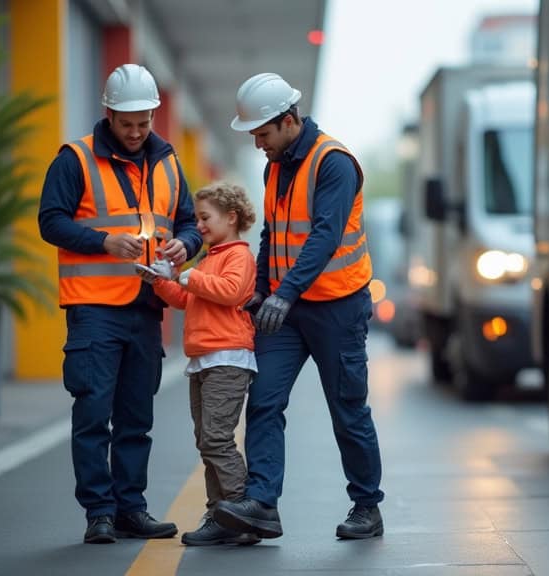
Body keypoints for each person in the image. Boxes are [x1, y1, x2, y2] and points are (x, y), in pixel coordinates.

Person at [212, 72, 385, 540]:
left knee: (347, 408)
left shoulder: (334, 163)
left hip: (337, 307)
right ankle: (261, 504)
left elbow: (325, 236)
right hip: (286, 311)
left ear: (288, 121)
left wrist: (284, 293)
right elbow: (272, 234)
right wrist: (262, 289)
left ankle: (367, 506)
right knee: (264, 401)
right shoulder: (275, 167)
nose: (258, 144)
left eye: (262, 134)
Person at [38, 63, 201, 544]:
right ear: (108, 114)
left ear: (153, 115)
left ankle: (131, 508)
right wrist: (103, 242)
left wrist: (186, 245)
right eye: (126, 123)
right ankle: (99, 513)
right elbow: (50, 221)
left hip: (147, 307)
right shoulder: (75, 159)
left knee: (136, 416)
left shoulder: (168, 163)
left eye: (143, 123)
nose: (135, 132)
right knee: (93, 412)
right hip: (93, 309)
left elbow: (188, 222)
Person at [139, 182, 260, 547]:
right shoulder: (209, 258)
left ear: (231, 217)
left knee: (216, 438)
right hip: (205, 358)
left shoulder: (238, 256)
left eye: (205, 218)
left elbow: (231, 291)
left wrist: (186, 275)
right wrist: (161, 281)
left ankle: (242, 513)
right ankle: (221, 514)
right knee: (207, 440)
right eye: (198, 218)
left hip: (227, 358)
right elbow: (187, 299)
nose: (199, 225)